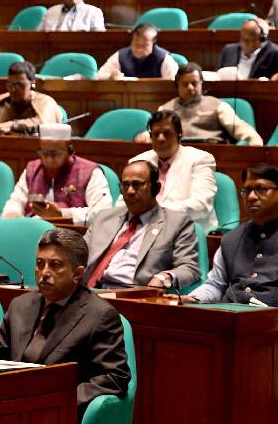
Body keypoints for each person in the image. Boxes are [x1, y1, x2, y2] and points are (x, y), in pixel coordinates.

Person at [0, 228, 130, 421]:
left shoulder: (100, 315)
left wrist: (55, 401)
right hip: (5, 411)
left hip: (57, 419)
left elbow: (114, 377)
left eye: (55, 265)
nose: (44, 273)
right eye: (40, 264)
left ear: (78, 273)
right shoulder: (20, 306)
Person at [83, 161, 200, 290]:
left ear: (156, 188)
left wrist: (164, 277)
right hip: (88, 292)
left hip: (132, 296)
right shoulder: (104, 217)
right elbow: (78, 254)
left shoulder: (177, 223)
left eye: (137, 185)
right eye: (125, 185)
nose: (130, 191)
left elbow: (189, 268)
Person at [188, 163, 278, 305]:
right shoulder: (231, 239)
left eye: (261, 189)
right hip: (229, 317)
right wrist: (192, 298)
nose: (252, 197)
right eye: (247, 190)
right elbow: (216, 284)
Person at [2, 123, 111, 225]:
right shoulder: (32, 170)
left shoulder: (90, 172)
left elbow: (103, 212)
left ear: (69, 149)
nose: (49, 159)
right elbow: (16, 201)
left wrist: (61, 214)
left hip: (74, 237)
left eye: (55, 154)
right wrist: (13, 214)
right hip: (35, 233)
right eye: (44, 153)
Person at [130, 110, 218, 232]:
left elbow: (201, 205)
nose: (161, 138)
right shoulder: (138, 162)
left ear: (179, 135)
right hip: (143, 230)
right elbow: (123, 202)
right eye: (156, 134)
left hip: (186, 230)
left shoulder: (200, 159)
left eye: (167, 133)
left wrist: (153, 214)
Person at [153, 63, 262, 145]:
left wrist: (254, 141)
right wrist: (143, 137)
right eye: (185, 84)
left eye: (194, 83)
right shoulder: (165, 109)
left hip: (212, 154)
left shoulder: (218, 105)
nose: (190, 87)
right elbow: (153, 134)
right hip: (176, 156)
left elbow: (240, 129)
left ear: (201, 83)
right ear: (177, 86)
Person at [0, 61, 63, 136]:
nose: (13, 89)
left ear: (32, 83)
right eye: (10, 85)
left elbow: (44, 124)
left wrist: (12, 125)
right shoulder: (0, 103)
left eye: (20, 85)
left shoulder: (45, 102)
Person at [96, 24, 178, 81]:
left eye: (144, 45)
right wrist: (110, 77)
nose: (139, 49)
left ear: (153, 44)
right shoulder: (121, 55)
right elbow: (98, 76)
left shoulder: (164, 58)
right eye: (136, 44)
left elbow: (174, 80)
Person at [37, 0, 106, 32]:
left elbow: (100, 38)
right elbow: (39, 35)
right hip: (53, 48)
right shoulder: (51, 11)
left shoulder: (94, 12)